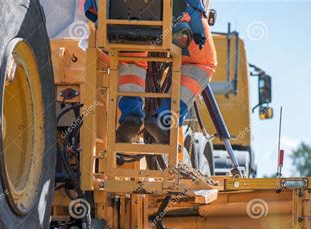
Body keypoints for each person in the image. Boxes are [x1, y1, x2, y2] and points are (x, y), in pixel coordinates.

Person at [84, 0, 217, 143]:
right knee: (203, 63)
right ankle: (164, 121)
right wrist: (197, 28)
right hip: (168, 20)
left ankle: (131, 114)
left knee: (130, 60)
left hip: (117, 21)